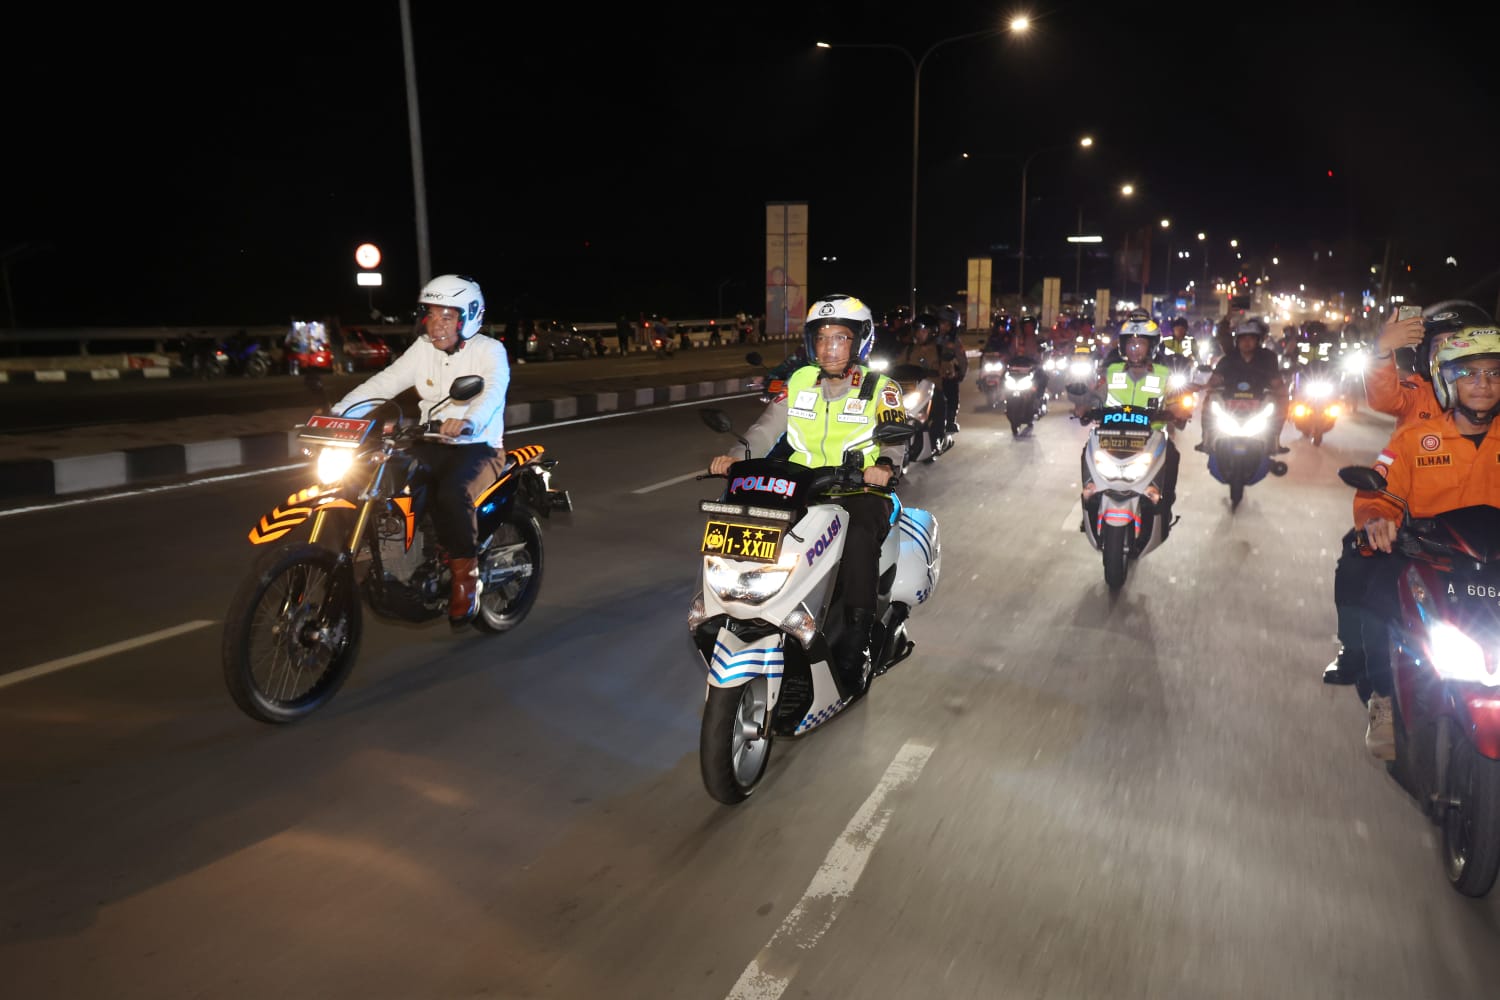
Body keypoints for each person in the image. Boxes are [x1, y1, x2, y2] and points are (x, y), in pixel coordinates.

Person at [707, 294, 907, 693]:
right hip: (801, 483)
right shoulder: (799, 382)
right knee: (743, 512)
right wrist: (735, 458)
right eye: (821, 338)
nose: (828, 347)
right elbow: (765, 429)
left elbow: (894, 436)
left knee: (859, 535)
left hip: (858, 489)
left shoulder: (881, 388)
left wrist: (883, 466)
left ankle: (857, 640)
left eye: (839, 338)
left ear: (859, 342)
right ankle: (733, 607)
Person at [1323, 328, 1500, 756]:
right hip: (1429, 555)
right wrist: (1379, 520)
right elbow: (1377, 493)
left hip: (1493, 563)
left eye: (1494, 374)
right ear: (1446, 381)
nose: (1483, 384)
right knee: (1380, 598)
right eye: (1470, 374)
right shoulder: (1415, 439)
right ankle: (1383, 697)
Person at [328, 274, 511, 627]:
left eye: (446, 316)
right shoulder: (422, 349)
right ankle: (382, 557)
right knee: (371, 480)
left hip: (479, 447)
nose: (436, 325)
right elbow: (385, 382)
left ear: (467, 316)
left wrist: (469, 421)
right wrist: (339, 414)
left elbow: (491, 392)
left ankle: (466, 577)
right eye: (430, 315)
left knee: (452, 494)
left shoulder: (490, 351)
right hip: (431, 442)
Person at [1073, 315, 1183, 536]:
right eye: (1130, 344)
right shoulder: (1111, 372)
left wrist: (1179, 410)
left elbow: (1176, 400)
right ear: (1123, 346)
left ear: (1151, 346)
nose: (1134, 349)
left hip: (1150, 438)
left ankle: (1164, 507)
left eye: (1140, 344)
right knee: (1087, 451)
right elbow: (1096, 395)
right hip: (1109, 435)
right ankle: (1090, 505)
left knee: (1173, 455)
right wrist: (1084, 406)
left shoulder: (1164, 375)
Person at [1362, 301, 1491, 425]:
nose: (1443, 354)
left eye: (1454, 344)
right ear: (1425, 356)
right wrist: (1382, 350)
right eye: (1436, 346)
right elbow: (1385, 400)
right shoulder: (1418, 395)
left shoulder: (1492, 392)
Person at [1197, 317, 1288, 453]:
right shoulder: (1228, 359)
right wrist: (1208, 386)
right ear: (1237, 341)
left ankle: (1275, 440)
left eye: (1251, 338)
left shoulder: (1268, 358)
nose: (1247, 342)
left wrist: (1281, 390)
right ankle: (1206, 440)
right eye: (1243, 338)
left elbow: (1276, 380)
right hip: (1230, 400)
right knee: (1208, 402)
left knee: (1282, 402)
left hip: (1260, 399)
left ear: (1258, 341)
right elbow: (1215, 379)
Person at [933, 305, 968, 432]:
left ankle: (951, 421)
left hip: (946, 376)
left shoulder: (954, 341)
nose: (945, 327)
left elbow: (962, 359)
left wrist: (961, 374)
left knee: (952, 397)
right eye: (942, 323)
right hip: (929, 375)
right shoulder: (929, 337)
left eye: (948, 324)